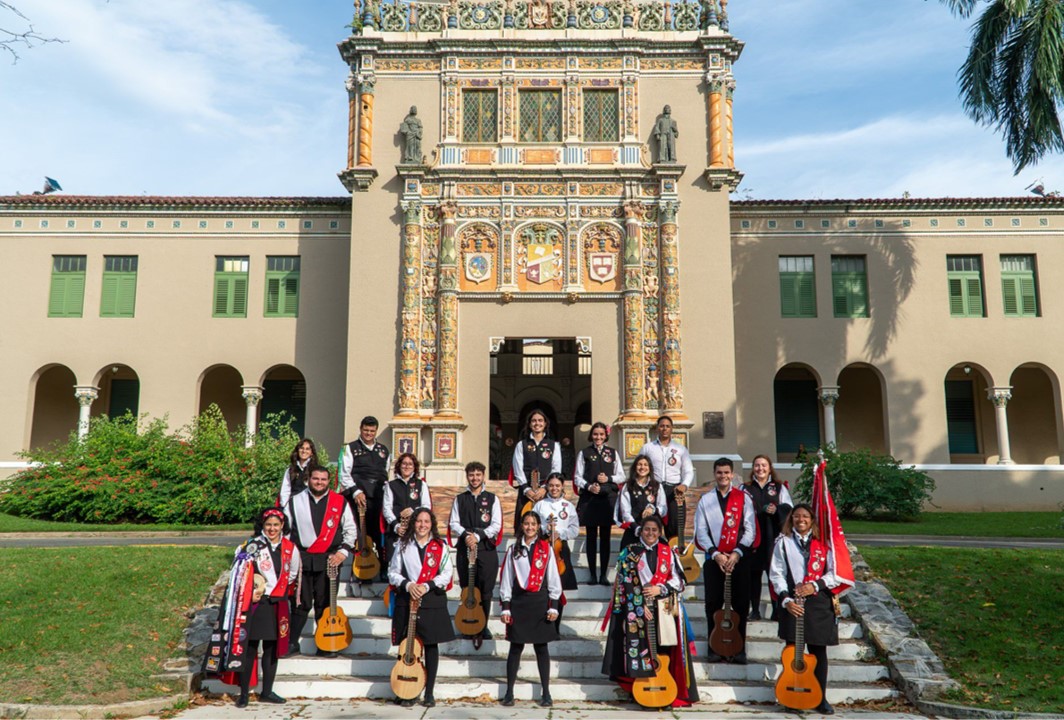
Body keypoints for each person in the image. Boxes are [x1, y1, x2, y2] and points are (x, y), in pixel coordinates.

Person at [601, 514, 699, 707]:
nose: (651, 533)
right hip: (637, 607)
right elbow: (624, 581)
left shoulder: (667, 552)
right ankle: (638, 688)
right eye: (647, 530)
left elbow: (679, 580)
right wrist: (640, 604)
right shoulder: (629, 552)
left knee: (663, 648)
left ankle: (665, 687)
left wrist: (660, 589)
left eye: (655, 530)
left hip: (662, 606)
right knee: (638, 648)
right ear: (641, 532)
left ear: (660, 533)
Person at [212, 508, 301, 708]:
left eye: (276, 525)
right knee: (249, 648)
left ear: (282, 526)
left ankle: (267, 691)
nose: (272, 528)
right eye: (268, 525)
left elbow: (293, 573)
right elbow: (240, 571)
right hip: (255, 604)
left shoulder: (289, 548)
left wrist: (277, 589)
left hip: (277, 603)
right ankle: (244, 693)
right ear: (263, 525)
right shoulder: (252, 546)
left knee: (272, 649)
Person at [769, 503, 839, 716]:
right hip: (793, 601)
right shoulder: (783, 542)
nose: (801, 520)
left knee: (818, 651)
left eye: (806, 516)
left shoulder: (825, 543)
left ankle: (820, 697)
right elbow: (776, 573)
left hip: (818, 602)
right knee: (793, 650)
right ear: (791, 519)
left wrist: (815, 585)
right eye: (797, 516)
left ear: (812, 520)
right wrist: (785, 600)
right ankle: (792, 695)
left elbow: (836, 572)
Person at [284, 466, 358, 656]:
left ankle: (325, 644)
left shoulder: (339, 502)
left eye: (323, 479)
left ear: (328, 481)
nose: (319, 482)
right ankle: (292, 643)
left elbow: (350, 529)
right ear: (309, 479)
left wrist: (343, 552)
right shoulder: (295, 501)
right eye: (316, 479)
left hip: (330, 560)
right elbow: (285, 530)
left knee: (326, 602)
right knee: (301, 602)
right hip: (303, 559)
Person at [388, 507, 455, 708]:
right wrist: (409, 585)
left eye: (426, 521)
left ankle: (429, 692)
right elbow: (393, 572)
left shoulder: (440, 546)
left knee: (431, 646)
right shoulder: (402, 544)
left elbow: (447, 574)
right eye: (418, 521)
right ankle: (405, 691)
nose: (422, 525)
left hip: (431, 600)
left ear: (431, 524)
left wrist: (426, 586)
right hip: (406, 599)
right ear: (413, 523)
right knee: (406, 646)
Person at [693, 457, 757, 663]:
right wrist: (715, 553)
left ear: (732, 474)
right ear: (714, 474)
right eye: (719, 472)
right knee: (713, 603)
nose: (723, 476)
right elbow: (700, 531)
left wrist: (737, 552)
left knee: (740, 603)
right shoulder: (706, 500)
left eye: (726, 472)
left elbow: (750, 529)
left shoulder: (743, 498)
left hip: (739, 559)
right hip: (715, 559)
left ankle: (739, 648)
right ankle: (714, 647)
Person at [499, 510, 562, 707]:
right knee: (515, 647)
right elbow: (507, 579)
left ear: (538, 526)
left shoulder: (546, 548)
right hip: (519, 603)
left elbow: (553, 578)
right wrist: (506, 607)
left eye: (533, 524)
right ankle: (509, 692)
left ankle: (546, 692)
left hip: (540, 603)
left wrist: (553, 606)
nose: (530, 527)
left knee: (541, 648)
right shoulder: (513, 549)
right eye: (526, 523)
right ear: (521, 526)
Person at [448, 461, 502, 641]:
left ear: (483, 476)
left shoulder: (493, 498)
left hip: (485, 547)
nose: (475, 478)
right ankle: (467, 622)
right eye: (471, 475)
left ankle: (483, 626)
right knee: (467, 587)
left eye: (478, 474)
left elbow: (496, 524)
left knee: (486, 589)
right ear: (467, 476)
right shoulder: (460, 498)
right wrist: (466, 535)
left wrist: (478, 537)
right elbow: (454, 522)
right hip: (465, 546)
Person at [338, 416, 390, 589]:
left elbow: (386, 473)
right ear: (361, 429)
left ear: (376, 431)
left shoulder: (384, 450)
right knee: (360, 535)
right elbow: (344, 474)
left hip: (378, 499)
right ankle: (359, 571)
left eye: (372, 431)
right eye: (366, 430)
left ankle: (382, 567)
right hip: (358, 499)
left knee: (379, 534)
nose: (369, 433)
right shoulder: (350, 448)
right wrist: (356, 492)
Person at [573, 422, 624, 585]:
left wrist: (608, 479)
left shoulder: (613, 453)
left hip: (607, 499)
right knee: (591, 537)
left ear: (606, 435)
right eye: (595, 434)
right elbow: (577, 477)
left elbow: (621, 476)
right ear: (591, 435)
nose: (598, 437)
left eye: (601, 434)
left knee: (605, 537)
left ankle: (603, 574)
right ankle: (592, 574)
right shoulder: (585, 453)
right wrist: (589, 486)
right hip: (590, 498)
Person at [744, 454, 793, 620]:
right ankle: (755, 610)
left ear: (770, 467)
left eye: (764, 465)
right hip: (753, 538)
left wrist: (777, 509)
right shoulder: (746, 488)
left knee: (774, 574)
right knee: (753, 575)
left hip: (773, 536)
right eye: (757, 465)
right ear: (753, 469)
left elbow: (789, 508)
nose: (760, 469)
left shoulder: (778, 487)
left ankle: (776, 609)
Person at [637, 416, 694, 540]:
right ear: (657, 428)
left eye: (667, 426)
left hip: (675, 491)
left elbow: (688, 470)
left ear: (672, 429)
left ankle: (673, 555)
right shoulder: (648, 448)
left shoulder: (681, 449)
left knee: (674, 528)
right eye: (662, 426)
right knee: (652, 524)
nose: (664, 428)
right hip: (654, 489)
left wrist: (685, 484)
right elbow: (639, 466)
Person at [510, 409, 561, 534]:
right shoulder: (522, 444)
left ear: (545, 424)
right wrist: (526, 489)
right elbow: (518, 468)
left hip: (547, 491)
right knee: (523, 525)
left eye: (540, 420)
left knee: (546, 525)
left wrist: (545, 488)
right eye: (533, 421)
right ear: (529, 424)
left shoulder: (553, 445)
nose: (537, 423)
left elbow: (556, 469)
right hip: (526, 492)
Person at [382, 453, 432, 575]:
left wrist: (413, 511)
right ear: (399, 466)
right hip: (397, 530)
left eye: (410, 464)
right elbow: (386, 508)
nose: (407, 466)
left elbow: (426, 506)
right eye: (404, 463)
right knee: (396, 565)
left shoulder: (421, 484)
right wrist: (396, 526)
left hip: (416, 530)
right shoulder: (391, 485)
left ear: (414, 467)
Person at [532, 473, 579, 591]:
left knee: (561, 583)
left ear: (562, 486)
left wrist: (560, 533)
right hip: (543, 544)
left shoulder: (568, 506)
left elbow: (574, 530)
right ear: (547, 486)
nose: (554, 489)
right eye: (551, 485)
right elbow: (532, 524)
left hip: (560, 547)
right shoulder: (540, 505)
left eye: (557, 485)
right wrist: (543, 528)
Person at [615, 455, 667, 550]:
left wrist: (653, 509)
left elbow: (663, 509)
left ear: (650, 468)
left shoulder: (657, 486)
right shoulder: (628, 486)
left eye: (645, 465)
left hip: (652, 532)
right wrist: (637, 529)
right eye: (639, 464)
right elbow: (625, 512)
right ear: (635, 467)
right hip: (634, 530)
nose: (642, 467)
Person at [278, 438, 320, 508]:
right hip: (293, 506)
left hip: (309, 506)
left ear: (311, 453)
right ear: (297, 450)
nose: (304, 451)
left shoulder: (315, 470)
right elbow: (285, 490)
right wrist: (285, 506)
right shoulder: (290, 470)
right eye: (302, 448)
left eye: (307, 449)